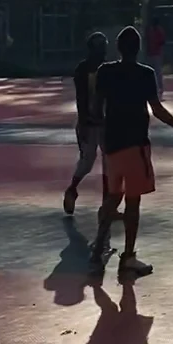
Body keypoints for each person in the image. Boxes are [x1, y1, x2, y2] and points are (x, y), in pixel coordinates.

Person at [88, 26, 173, 283]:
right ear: (138, 49)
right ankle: (128, 256)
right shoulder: (145, 74)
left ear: (118, 47)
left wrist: (102, 131)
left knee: (112, 198)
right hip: (135, 145)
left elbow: (95, 109)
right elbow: (157, 110)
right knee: (133, 203)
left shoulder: (106, 72)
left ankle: (96, 251)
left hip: (112, 147)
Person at [64, 31, 108, 216]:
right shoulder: (83, 70)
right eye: (101, 48)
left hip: (105, 123)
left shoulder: (108, 69)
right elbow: (81, 99)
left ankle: (108, 205)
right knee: (87, 162)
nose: (104, 52)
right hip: (89, 123)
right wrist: (83, 122)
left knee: (109, 163)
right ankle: (72, 188)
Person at [144, 14, 166, 97]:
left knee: (157, 72)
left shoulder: (158, 30)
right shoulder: (150, 30)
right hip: (151, 53)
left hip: (156, 53)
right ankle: (152, 87)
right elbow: (147, 40)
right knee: (153, 71)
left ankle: (160, 88)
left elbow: (162, 41)